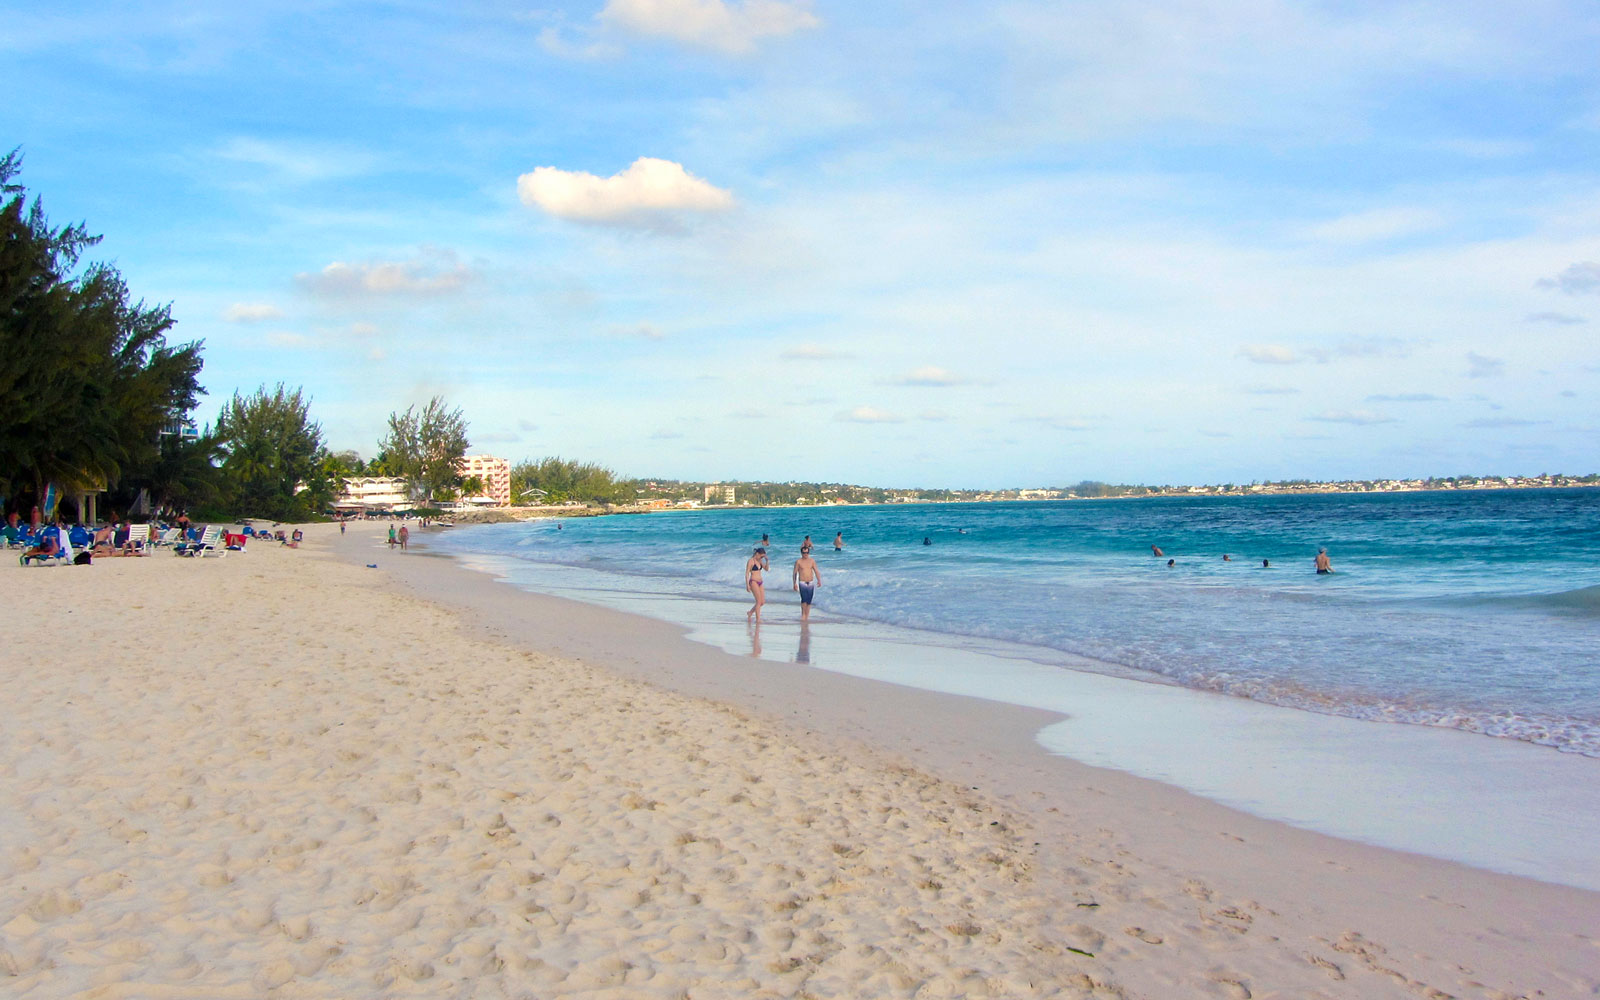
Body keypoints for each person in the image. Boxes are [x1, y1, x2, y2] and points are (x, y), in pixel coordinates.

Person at [793, 546, 822, 623]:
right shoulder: (798, 562)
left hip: (810, 582)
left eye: (807, 553)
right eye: (804, 553)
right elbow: (795, 573)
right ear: (801, 553)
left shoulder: (812, 561)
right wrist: (794, 583)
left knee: (809, 600)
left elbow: (816, 571)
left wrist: (819, 580)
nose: (805, 554)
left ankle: (807, 615)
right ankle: (803, 615)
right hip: (802, 582)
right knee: (804, 599)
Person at [746, 547, 767, 622]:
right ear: (757, 554)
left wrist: (767, 561)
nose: (762, 557)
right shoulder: (751, 561)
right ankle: (758, 619)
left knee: (762, 602)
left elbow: (766, 569)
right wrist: (747, 585)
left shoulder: (760, 561)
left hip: (760, 582)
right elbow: (747, 573)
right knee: (758, 601)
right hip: (753, 581)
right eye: (761, 556)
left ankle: (750, 612)